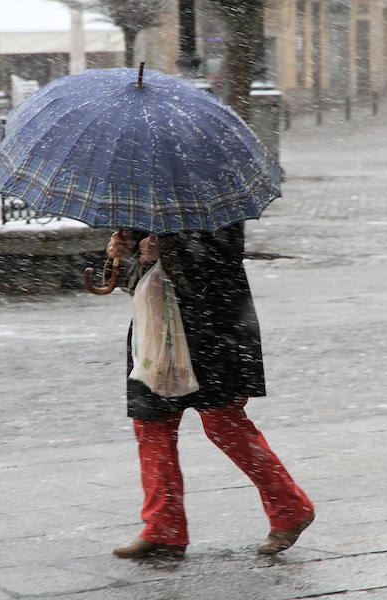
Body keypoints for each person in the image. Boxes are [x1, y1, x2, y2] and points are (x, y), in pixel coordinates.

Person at [106, 223, 315, 559]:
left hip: (212, 328)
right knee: (152, 425)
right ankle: (163, 528)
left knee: (223, 423)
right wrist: (126, 252)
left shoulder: (208, 194)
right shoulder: (146, 193)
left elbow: (222, 261)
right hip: (156, 329)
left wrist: (170, 250)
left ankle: (290, 508)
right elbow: (140, 278)